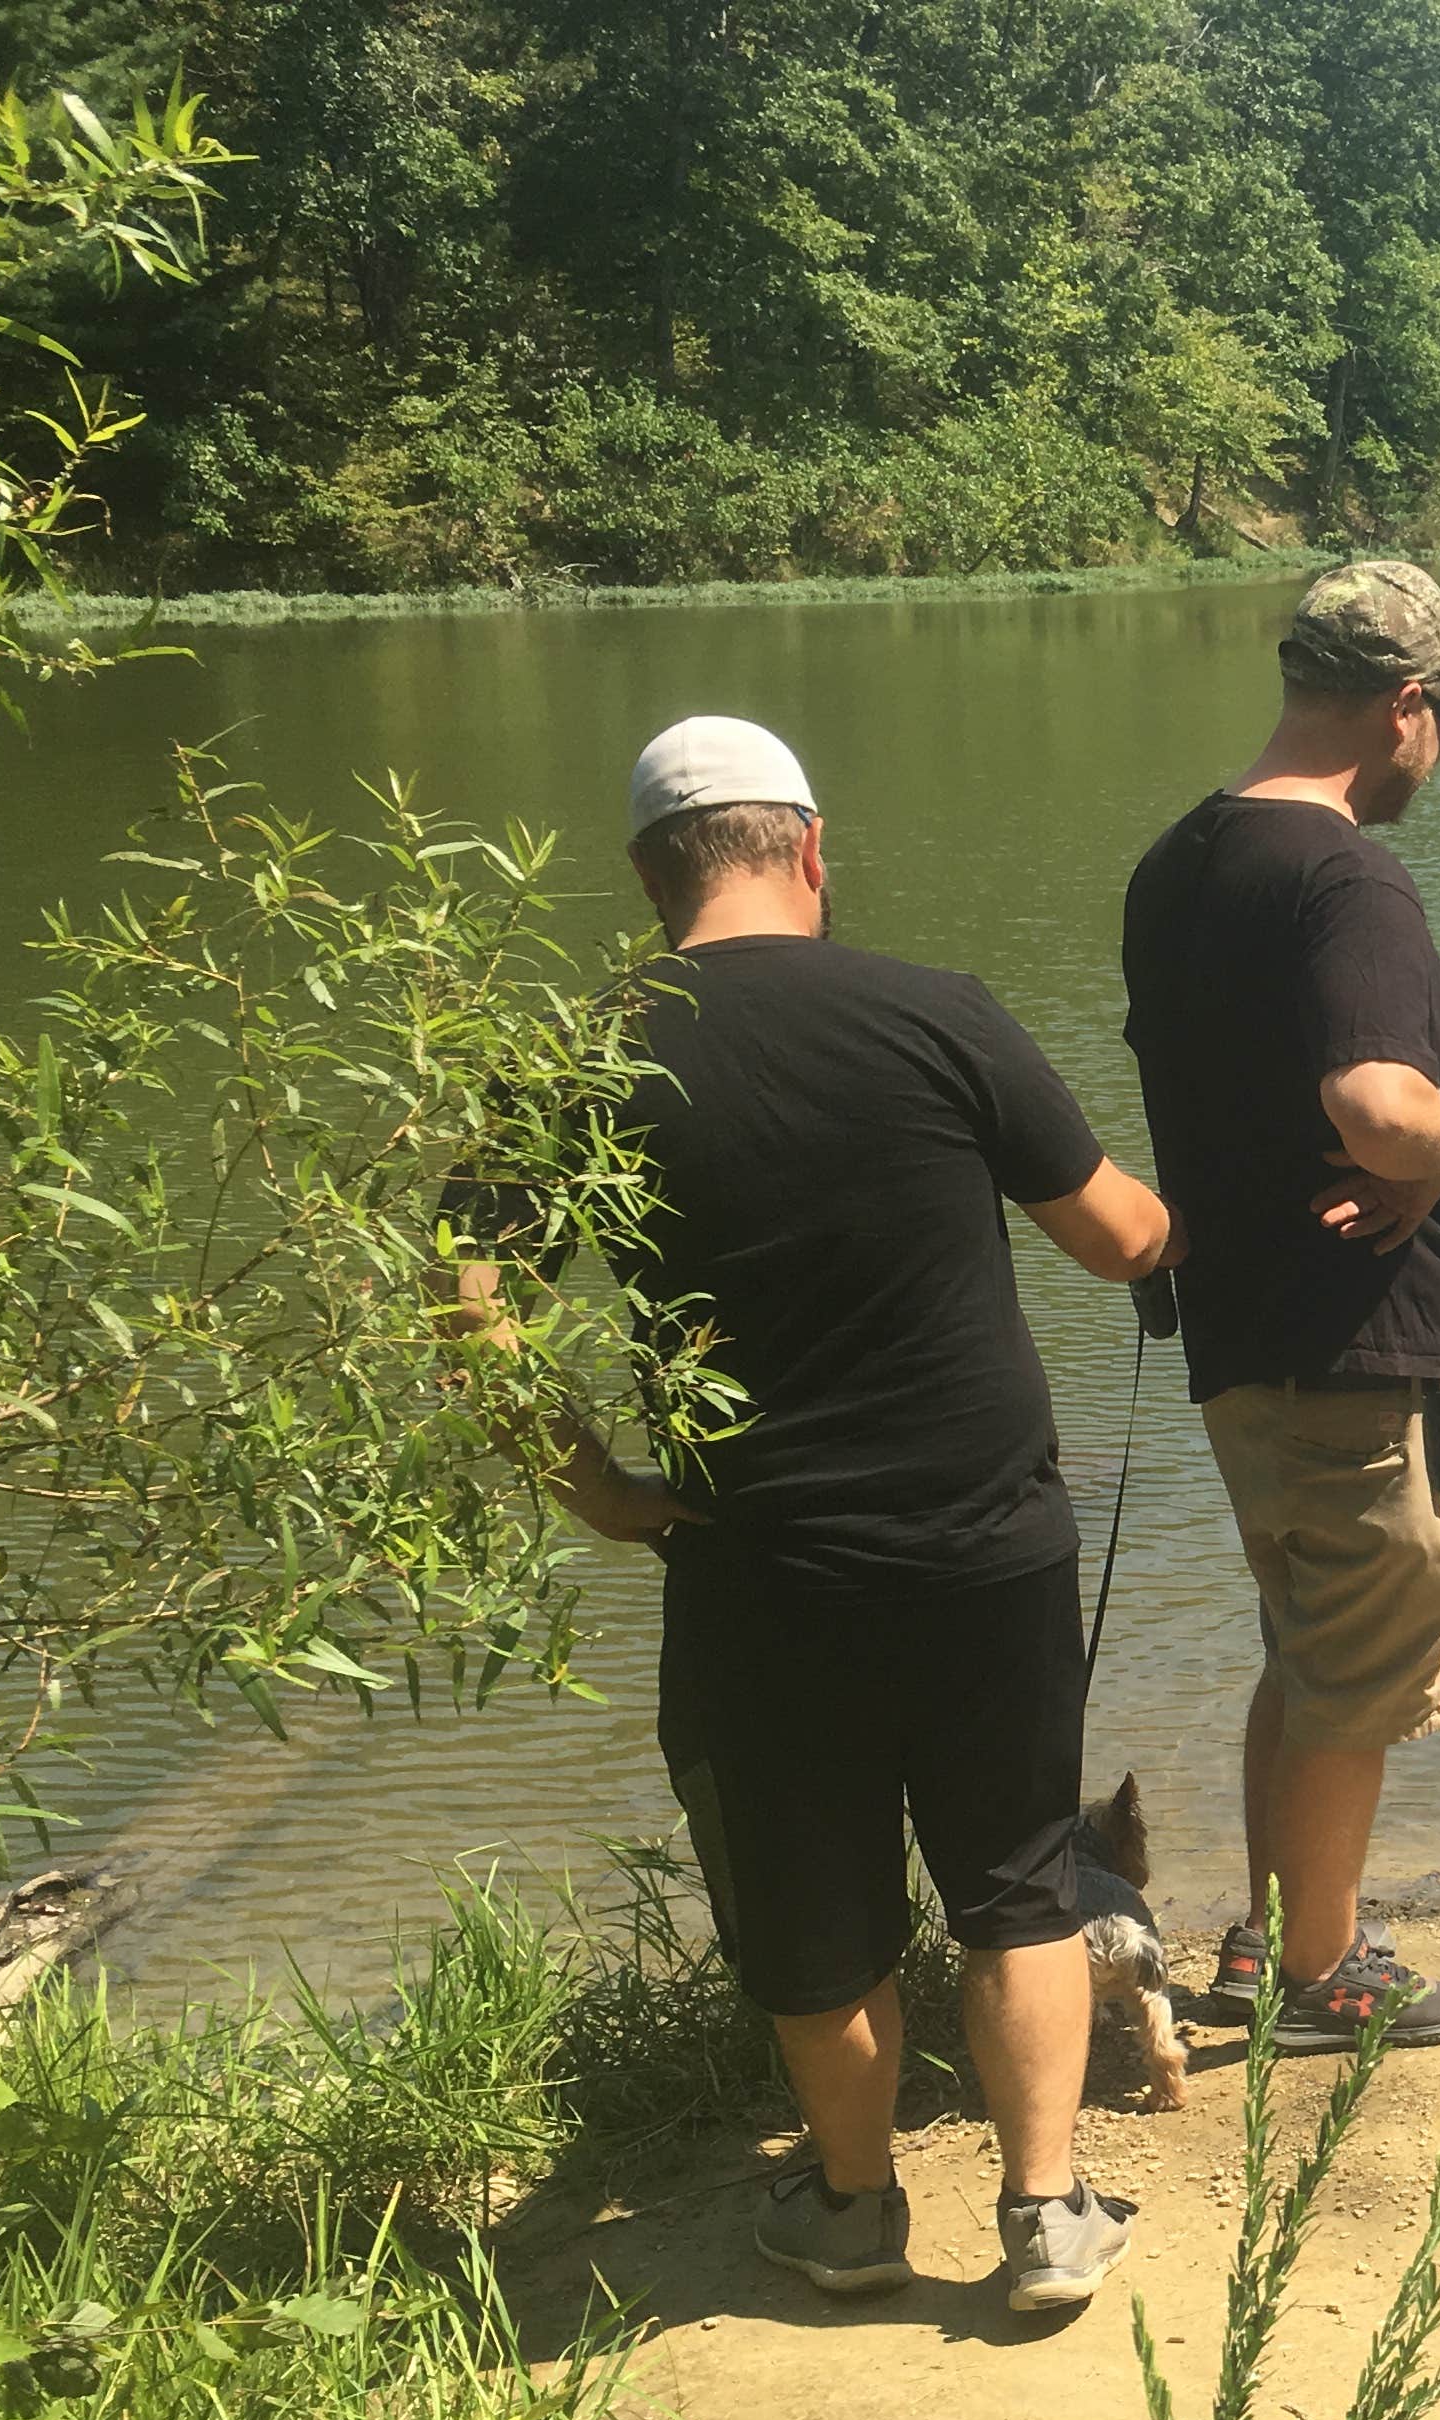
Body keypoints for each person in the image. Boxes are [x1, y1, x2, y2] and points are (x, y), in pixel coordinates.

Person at [443, 715, 1177, 2316]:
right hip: (986, 1543)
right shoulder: (937, 1014)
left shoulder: (586, 1056)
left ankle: (853, 2214)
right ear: (813, 850)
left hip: (754, 1559)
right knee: (1016, 1885)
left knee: (814, 1910)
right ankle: (1047, 2214)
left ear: (648, 878)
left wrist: (603, 1494)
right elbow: (1119, 1236)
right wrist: (1168, 1218)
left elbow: (461, 1302)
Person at [1120, 559, 1440, 2056]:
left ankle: (1278, 1938)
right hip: (1362, 1354)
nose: (1439, 753)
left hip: (1250, 1343)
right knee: (1359, 1667)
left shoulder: (1181, 862)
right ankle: (1321, 1977)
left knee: (1308, 1648)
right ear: (1403, 706)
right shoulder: (1345, 874)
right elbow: (1375, 1097)